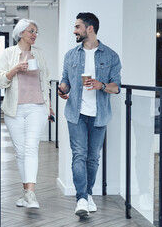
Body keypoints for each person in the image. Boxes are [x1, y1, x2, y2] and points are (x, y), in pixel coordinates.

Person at [58, 12, 121, 217]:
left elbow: (116, 88)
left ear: (89, 29)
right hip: (76, 114)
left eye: (77, 27)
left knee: (93, 158)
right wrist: (62, 90)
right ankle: (82, 199)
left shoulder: (111, 56)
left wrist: (100, 85)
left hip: (99, 115)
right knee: (79, 155)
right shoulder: (71, 55)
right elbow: (65, 82)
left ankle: (88, 193)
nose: (74, 31)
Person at [0, 19, 54, 209]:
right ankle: (26, 194)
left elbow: (46, 81)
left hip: (37, 107)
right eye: (31, 31)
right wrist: (15, 70)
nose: (35, 35)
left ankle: (31, 194)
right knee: (20, 153)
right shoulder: (8, 54)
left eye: (36, 32)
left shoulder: (40, 54)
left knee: (30, 149)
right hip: (15, 109)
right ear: (21, 33)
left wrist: (49, 105)